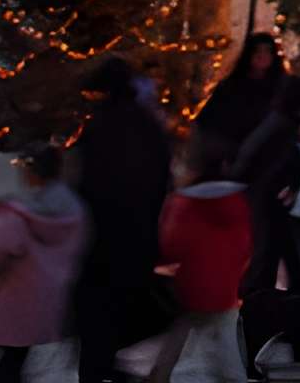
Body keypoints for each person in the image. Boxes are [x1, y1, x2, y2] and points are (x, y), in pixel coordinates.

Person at [70, 56, 177, 383]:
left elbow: (83, 181)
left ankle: (97, 368)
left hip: (100, 234)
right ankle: (106, 364)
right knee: (121, 303)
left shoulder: (99, 125)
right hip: (138, 233)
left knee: (96, 311)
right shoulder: (148, 125)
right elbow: (164, 179)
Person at [0, 143, 88, 383]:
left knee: (6, 366)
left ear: (32, 172)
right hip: (50, 299)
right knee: (14, 361)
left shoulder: (22, 216)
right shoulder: (74, 210)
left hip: (13, 301)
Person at [146, 134, 253, 381]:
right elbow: (247, 244)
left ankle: (158, 376)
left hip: (189, 285)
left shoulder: (183, 203)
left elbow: (171, 244)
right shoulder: (237, 201)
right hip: (225, 287)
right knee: (226, 345)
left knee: (176, 337)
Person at [236, 72, 300, 295]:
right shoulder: (282, 125)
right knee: (268, 256)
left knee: (284, 255)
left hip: (274, 198)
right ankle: (261, 303)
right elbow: (256, 159)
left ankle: (291, 301)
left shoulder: (285, 123)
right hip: (269, 198)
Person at [192, 34, 284, 167]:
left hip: (266, 154)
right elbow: (207, 121)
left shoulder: (281, 87)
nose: (262, 56)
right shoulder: (231, 85)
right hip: (229, 151)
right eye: (257, 51)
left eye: (267, 51)